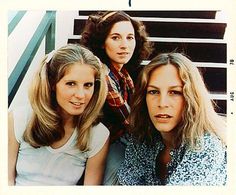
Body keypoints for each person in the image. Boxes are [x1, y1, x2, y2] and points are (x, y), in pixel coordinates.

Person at [117, 52, 227, 185]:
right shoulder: (141, 139)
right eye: (153, 91)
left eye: (175, 92)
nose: (162, 103)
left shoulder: (206, 145)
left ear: (191, 98)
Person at [8, 44, 110, 185]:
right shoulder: (18, 119)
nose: (81, 95)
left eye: (88, 85)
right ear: (51, 84)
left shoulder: (98, 134)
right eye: (71, 83)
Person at [80, 11, 153, 185]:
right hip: (101, 141)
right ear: (102, 43)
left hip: (118, 138)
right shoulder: (102, 70)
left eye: (130, 38)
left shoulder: (124, 75)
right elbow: (128, 118)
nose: (124, 45)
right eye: (115, 38)